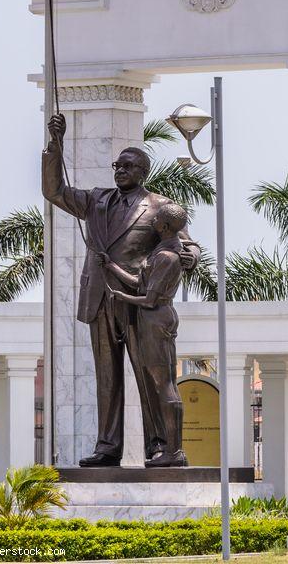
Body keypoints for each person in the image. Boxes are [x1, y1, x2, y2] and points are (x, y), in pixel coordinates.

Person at [42, 111, 199, 466]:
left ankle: (159, 446)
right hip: (101, 298)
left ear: (142, 172)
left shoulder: (158, 206)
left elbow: (186, 243)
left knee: (149, 376)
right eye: (117, 165)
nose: (119, 170)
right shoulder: (97, 200)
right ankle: (107, 446)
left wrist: (189, 257)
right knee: (107, 378)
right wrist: (56, 145)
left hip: (139, 303)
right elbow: (53, 190)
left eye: (127, 166)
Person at [103, 201, 188, 467]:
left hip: (155, 319)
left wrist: (121, 297)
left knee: (164, 385)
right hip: (153, 318)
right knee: (161, 383)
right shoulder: (162, 251)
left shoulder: (166, 257)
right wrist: (111, 266)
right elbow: (141, 282)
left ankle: (174, 452)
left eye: (156, 220)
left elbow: (149, 298)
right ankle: (172, 451)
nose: (151, 223)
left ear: (163, 226)